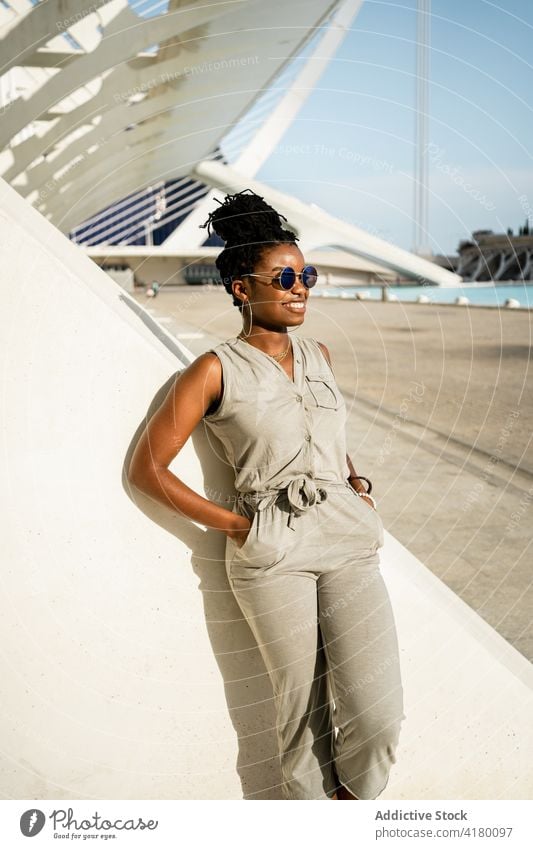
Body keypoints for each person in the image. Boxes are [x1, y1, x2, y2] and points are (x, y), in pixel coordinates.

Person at [127, 189, 405, 800]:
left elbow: (322, 430)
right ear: (242, 290)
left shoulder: (321, 356)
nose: (300, 286)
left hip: (347, 539)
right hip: (272, 549)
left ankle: (353, 805)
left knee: (378, 714)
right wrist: (238, 527)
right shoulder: (213, 369)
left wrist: (353, 482)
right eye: (283, 276)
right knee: (299, 720)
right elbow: (147, 469)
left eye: (306, 274)